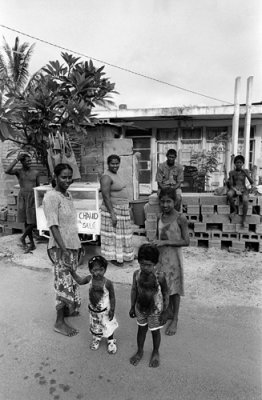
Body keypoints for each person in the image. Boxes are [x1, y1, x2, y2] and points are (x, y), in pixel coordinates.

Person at [43, 163, 81, 337]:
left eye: (69, 177)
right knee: (62, 283)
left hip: (72, 246)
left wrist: (79, 246)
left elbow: (70, 225)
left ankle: (66, 311)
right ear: (55, 176)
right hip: (60, 248)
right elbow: (54, 226)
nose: (67, 180)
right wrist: (64, 249)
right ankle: (59, 322)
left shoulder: (67, 195)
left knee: (69, 281)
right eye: (63, 177)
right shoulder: (51, 197)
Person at [152, 187, 189, 336]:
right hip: (161, 259)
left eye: (169, 201)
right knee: (163, 286)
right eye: (162, 202)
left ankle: (175, 319)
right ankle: (167, 312)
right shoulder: (159, 217)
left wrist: (166, 243)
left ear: (175, 201)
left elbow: (186, 241)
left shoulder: (181, 218)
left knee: (175, 290)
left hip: (174, 260)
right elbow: (157, 238)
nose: (165, 205)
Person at [68, 255, 118, 354]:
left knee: (108, 326)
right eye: (95, 270)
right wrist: (72, 272)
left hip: (105, 312)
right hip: (93, 312)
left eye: (101, 270)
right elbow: (80, 281)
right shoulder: (89, 279)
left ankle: (111, 341)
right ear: (90, 270)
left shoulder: (107, 283)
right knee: (95, 327)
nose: (98, 272)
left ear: (105, 270)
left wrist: (112, 309)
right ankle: (96, 339)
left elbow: (112, 297)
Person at [129, 244, 169, 368]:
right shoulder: (136, 274)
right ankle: (140, 351)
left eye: (149, 265)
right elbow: (134, 290)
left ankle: (156, 351)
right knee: (141, 330)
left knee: (155, 332)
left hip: (155, 311)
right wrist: (132, 306)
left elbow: (166, 292)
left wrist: (165, 312)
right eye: (142, 264)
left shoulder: (160, 276)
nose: (145, 268)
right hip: (140, 308)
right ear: (138, 262)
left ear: (155, 264)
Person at [100, 154, 134, 266]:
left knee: (123, 235)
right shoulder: (106, 177)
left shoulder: (116, 174)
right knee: (113, 235)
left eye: (117, 163)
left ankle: (125, 255)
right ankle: (113, 258)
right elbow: (105, 196)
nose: (115, 165)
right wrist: (112, 214)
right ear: (108, 164)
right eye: (112, 163)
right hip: (113, 210)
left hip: (122, 209)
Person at [5, 151, 41, 251]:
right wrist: (16, 159)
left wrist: (39, 198)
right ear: (22, 162)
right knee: (26, 220)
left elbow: (38, 186)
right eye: (27, 161)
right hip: (23, 197)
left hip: (33, 197)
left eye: (30, 161)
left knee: (33, 221)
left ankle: (22, 237)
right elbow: (7, 170)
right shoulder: (19, 172)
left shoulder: (36, 172)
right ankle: (32, 244)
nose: (29, 163)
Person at [227, 155, 254, 227]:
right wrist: (236, 190)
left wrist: (246, 174)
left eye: (240, 162)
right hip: (235, 188)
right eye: (237, 162)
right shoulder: (231, 172)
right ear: (234, 163)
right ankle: (235, 210)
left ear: (243, 163)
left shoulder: (246, 171)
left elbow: (252, 182)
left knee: (245, 200)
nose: (238, 164)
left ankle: (243, 219)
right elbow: (231, 185)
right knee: (229, 194)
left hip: (243, 189)